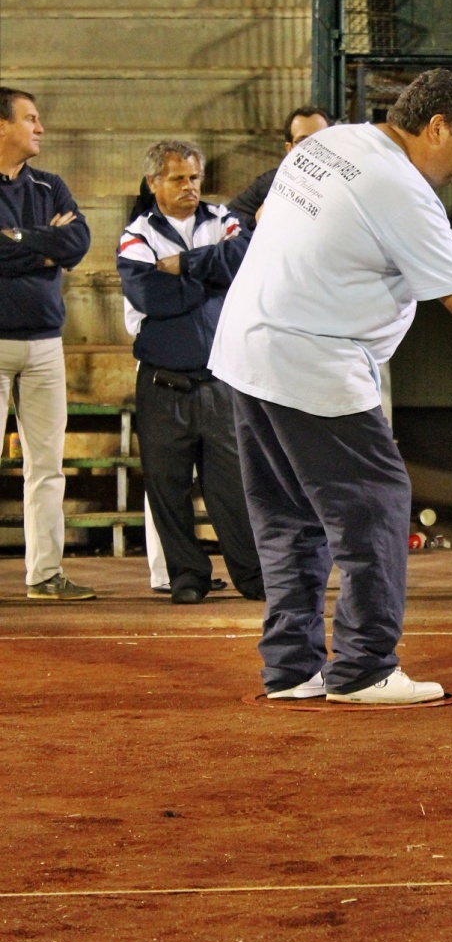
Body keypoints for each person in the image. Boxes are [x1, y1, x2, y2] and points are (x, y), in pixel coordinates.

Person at [210, 68, 452, 704]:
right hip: (313, 361)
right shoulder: (399, 189)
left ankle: (291, 670)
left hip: (247, 353)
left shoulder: (334, 143)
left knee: (289, 519)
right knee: (375, 509)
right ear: (434, 126)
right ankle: (362, 669)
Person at [117, 140, 265, 604]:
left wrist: (184, 267)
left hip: (221, 382)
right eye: (178, 178)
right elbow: (149, 298)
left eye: (195, 178)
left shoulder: (225, 221)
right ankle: (187, 577)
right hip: (163, 385)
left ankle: (252, 577)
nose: (189, 187)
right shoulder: (135, 235)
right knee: (168, 487)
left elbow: (245, 260)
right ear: (154, 183)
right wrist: (210, 283)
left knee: (232, 489)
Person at [0, 87, 93, 600]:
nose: (41, 128)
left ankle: (45, 575)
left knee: (47, 467)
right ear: (1, 126)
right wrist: (43, 246)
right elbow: (57, 247)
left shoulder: (49, 184)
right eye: (30, 119)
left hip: (44, 345)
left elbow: (76, 243)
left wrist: (16, 239)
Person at [228, 106, 330, 233]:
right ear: (289, 148)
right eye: (303, 141)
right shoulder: (272, 182)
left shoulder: (342, 184)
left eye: (321, 139)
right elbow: (228, 217)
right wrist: (261, 226)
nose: (313, 147)